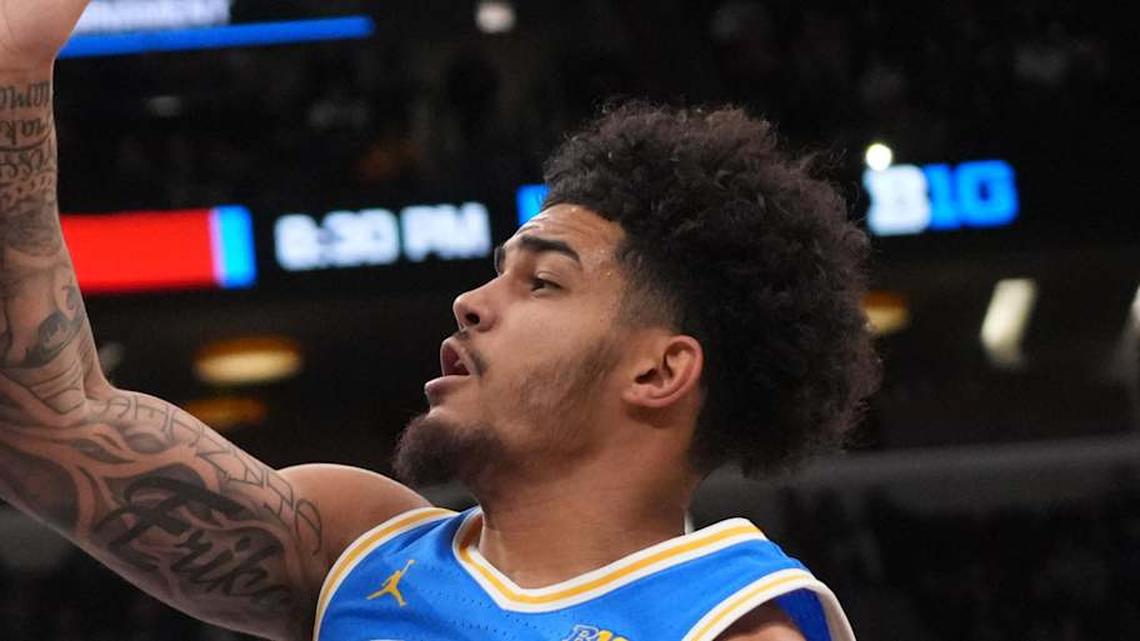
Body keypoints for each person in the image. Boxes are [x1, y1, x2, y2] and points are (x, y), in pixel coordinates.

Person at [0, 2, 879, 640]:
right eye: (497, 272)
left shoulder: (733, 621)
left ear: (657, 371)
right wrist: (15, 69)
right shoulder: (353, 546)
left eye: (542, 283)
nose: (472, 301)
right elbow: (46, 423)